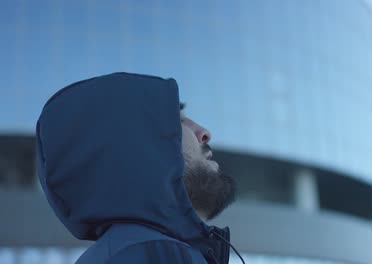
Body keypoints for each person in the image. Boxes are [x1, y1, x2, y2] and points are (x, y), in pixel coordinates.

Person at [35, 72, 243, 263]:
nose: (204, 132)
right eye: (179, 120)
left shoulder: (133, 252)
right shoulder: (156, 255)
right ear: (136, 147)